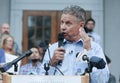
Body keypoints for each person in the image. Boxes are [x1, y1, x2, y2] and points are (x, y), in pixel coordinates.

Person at [41, 5, 109, 83]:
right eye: (62, 22)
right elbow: (41, 79)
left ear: (81, 25)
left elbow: (102, 80)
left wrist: (89, 51)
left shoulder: (94, 48)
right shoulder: (53, 49)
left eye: (68, 23)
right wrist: (51, 64)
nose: (63, 27)